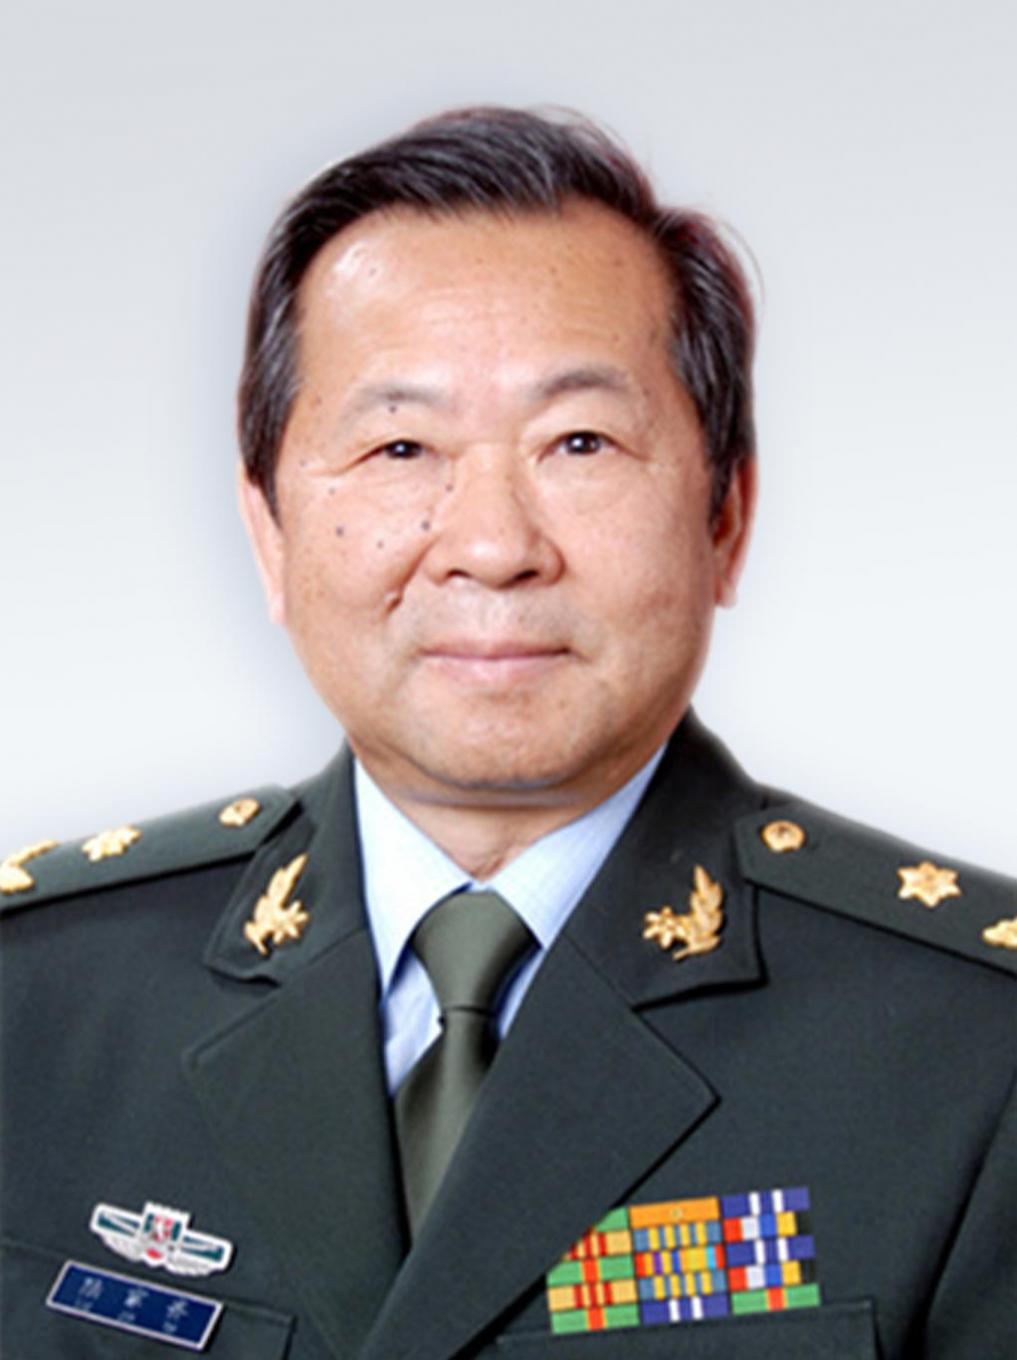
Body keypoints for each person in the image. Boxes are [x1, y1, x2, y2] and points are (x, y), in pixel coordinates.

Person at [2, 107, 1015, 1360]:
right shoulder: (37, 999)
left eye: (579, 442)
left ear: (727, 516)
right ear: (268, 531)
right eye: (400, 445)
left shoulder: (975, 1050)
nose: (491, 546)